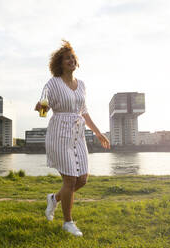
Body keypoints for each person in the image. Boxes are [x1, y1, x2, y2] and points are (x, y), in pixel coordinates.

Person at [34, 40, 110, 237]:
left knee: (82, 179)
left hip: (78, 135)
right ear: (59, 63)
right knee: (69, 179)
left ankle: (54, 199)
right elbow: (44, 110)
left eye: (73, 57)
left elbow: (84, 112)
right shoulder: (52, 83)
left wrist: (98, 132)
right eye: (67, 58)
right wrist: (40, 106)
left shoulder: (82, 85)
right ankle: (67, 222)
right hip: (59, 133)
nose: (71, 60)